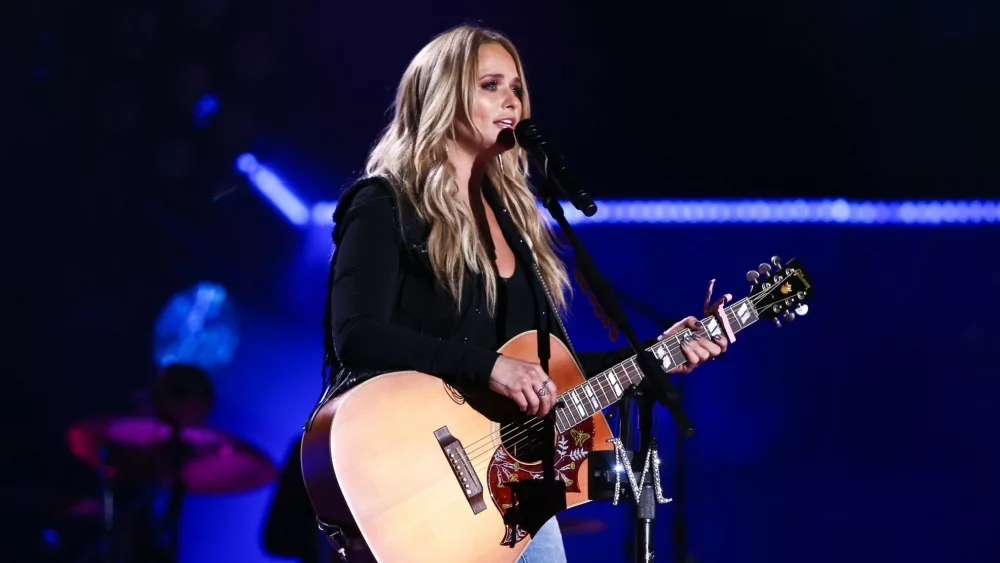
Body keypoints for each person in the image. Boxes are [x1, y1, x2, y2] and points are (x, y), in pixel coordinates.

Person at [314, 24, 729, 563]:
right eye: (491, 85)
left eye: (516, 88)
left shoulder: (516, 225)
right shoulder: (384, 203)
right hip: (412, 480)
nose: (512, 100)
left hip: (508, 500)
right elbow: (356, 335)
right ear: (442, 94)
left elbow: (550, 378)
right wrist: (489, 367)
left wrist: (657, 355)